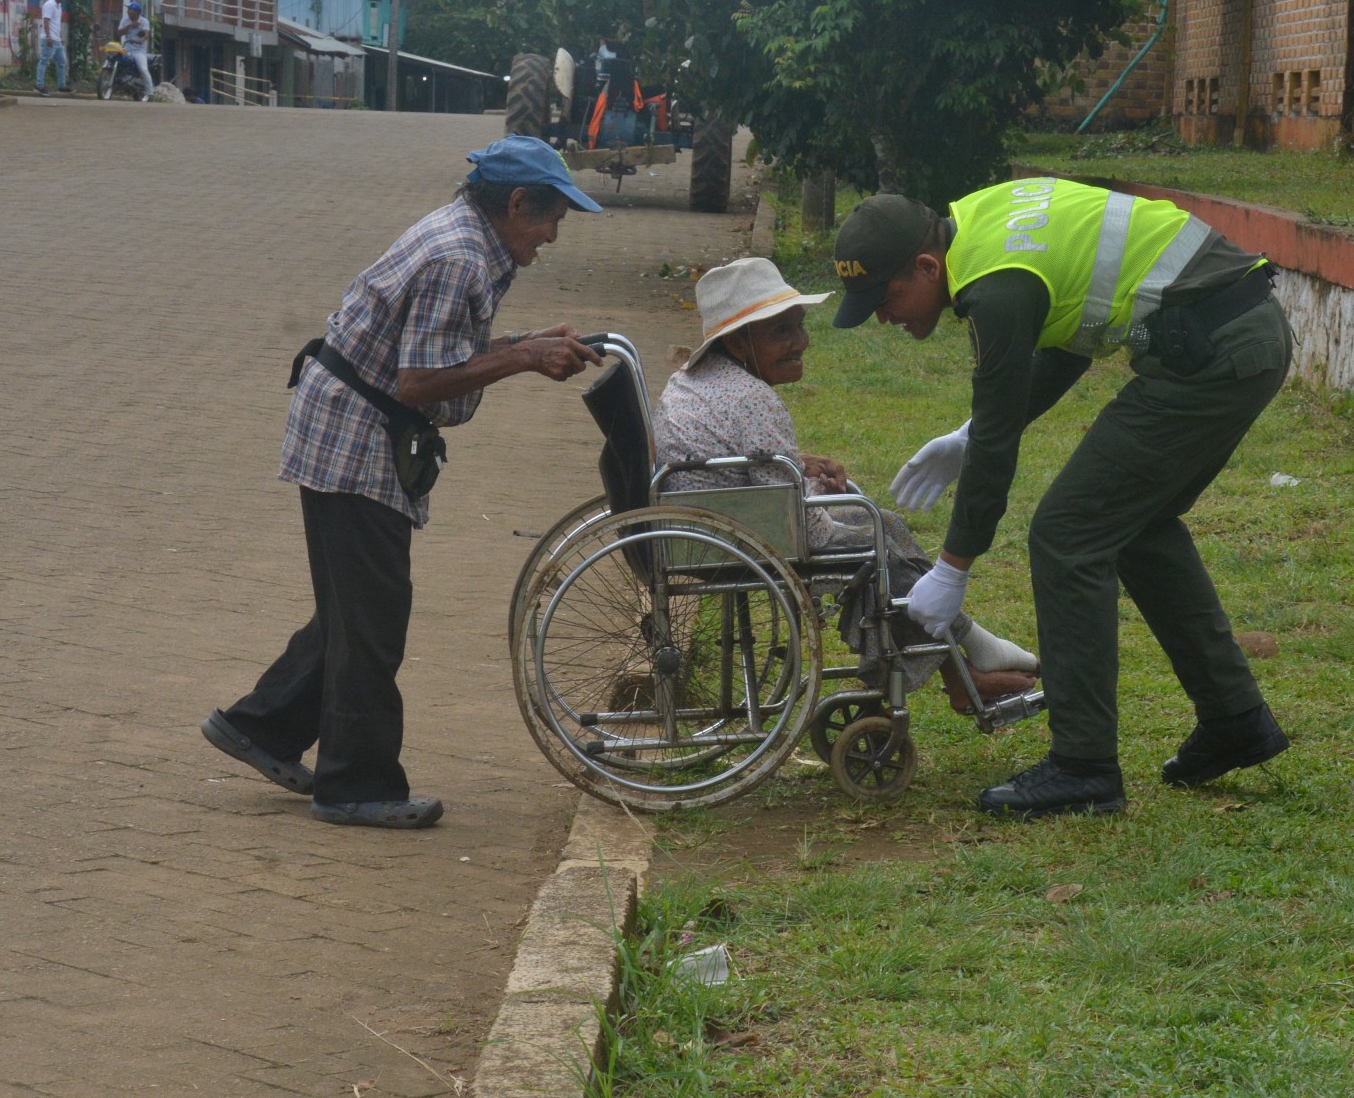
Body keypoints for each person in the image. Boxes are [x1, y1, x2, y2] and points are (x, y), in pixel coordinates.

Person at [831, 180, 1293, 819]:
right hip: (1230, 335)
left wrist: (951, 569)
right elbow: (1072, 336)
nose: (885, 316)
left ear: (926, 266)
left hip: (1213, 353)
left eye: (886, 298)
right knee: (1132, 524)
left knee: (1067, 532)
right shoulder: (981, 224)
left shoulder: (994, 284)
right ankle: (1236, 720)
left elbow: (999, 447)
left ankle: (1084, 767)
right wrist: (972, 433)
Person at [201, 137, 606, 829]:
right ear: (515, 204)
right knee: (373, 622)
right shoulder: (457, 256)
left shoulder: (471, 242)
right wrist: (522, 358)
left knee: (353, 610)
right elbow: (418, 381)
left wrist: (523, 343)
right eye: (550, 218)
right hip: (354, 439)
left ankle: (261, 728)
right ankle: (357, 785)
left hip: (350, 426)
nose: (552, 236)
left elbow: (437, 349)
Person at [654, 258, 1039, 709]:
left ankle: (961, 659)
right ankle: (965, 657)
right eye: (782, 333)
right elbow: (808, 531)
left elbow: (731, 458)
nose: (802, 342)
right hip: (733, 539)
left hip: (699, 526)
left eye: (799, 327)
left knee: (883, 525)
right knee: (875, 539)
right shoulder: (752, 399)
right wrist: (824, 493)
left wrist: (801, 465)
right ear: (738, 342)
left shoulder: (699, 382)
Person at [115, 0, 154, 99]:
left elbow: (146, 34)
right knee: (117, 60)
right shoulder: (125, 20)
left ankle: (150, 92)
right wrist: (130, 25)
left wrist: (142, 39)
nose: (128, 11)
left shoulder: (144, 21)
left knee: (143, 69)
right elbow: (119, 33)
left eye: (130, 9)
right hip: (127, 48)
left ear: (136, 12)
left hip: (139, 50)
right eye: (128, 9)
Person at [35, 0, 69, 94]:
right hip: (49, 39)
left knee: (62, 62)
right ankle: (39, 85)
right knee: (44, 61)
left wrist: (59, 37)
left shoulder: (58, 6)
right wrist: (49, 37)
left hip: (56, 40)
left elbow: (56, 23)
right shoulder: (49, 5)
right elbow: (46, 21)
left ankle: (61, 86)